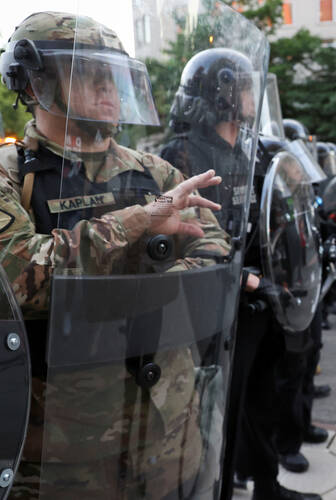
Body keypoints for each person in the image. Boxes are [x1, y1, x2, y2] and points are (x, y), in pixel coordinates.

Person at [0, 11, 235, 499]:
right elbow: (22, 276)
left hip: (171, 438)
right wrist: (141, 225)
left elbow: (213, 247)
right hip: (66, 456)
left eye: (114, 76)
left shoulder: (154, 172)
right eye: (89, 74)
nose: (109, 89)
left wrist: (134, 274)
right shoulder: (10, 175)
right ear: (37, 81)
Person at [160, 49, 322, 500]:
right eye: (244, 86)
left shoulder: (254, 150)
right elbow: (187, 237)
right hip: (213, 300)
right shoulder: (182, 153)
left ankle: (266, 484)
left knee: (264, 395)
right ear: (222, 91)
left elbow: (277, 217)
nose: (252, 96)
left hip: (262, 295)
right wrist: (247, 277)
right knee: (220, 409)